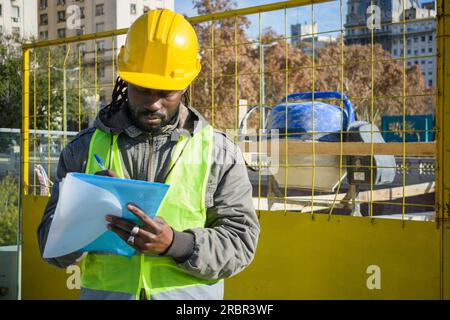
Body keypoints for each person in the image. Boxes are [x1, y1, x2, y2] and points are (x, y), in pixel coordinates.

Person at [37, 9, 259, 300]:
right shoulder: (83, 150)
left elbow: (241, 242)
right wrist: (84, 209)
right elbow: (49, 249)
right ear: (125, 79)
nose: (153, 103)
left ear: (184, 85)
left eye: (166, 92)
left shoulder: (219, 153)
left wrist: (176, 244)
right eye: (142, 89)